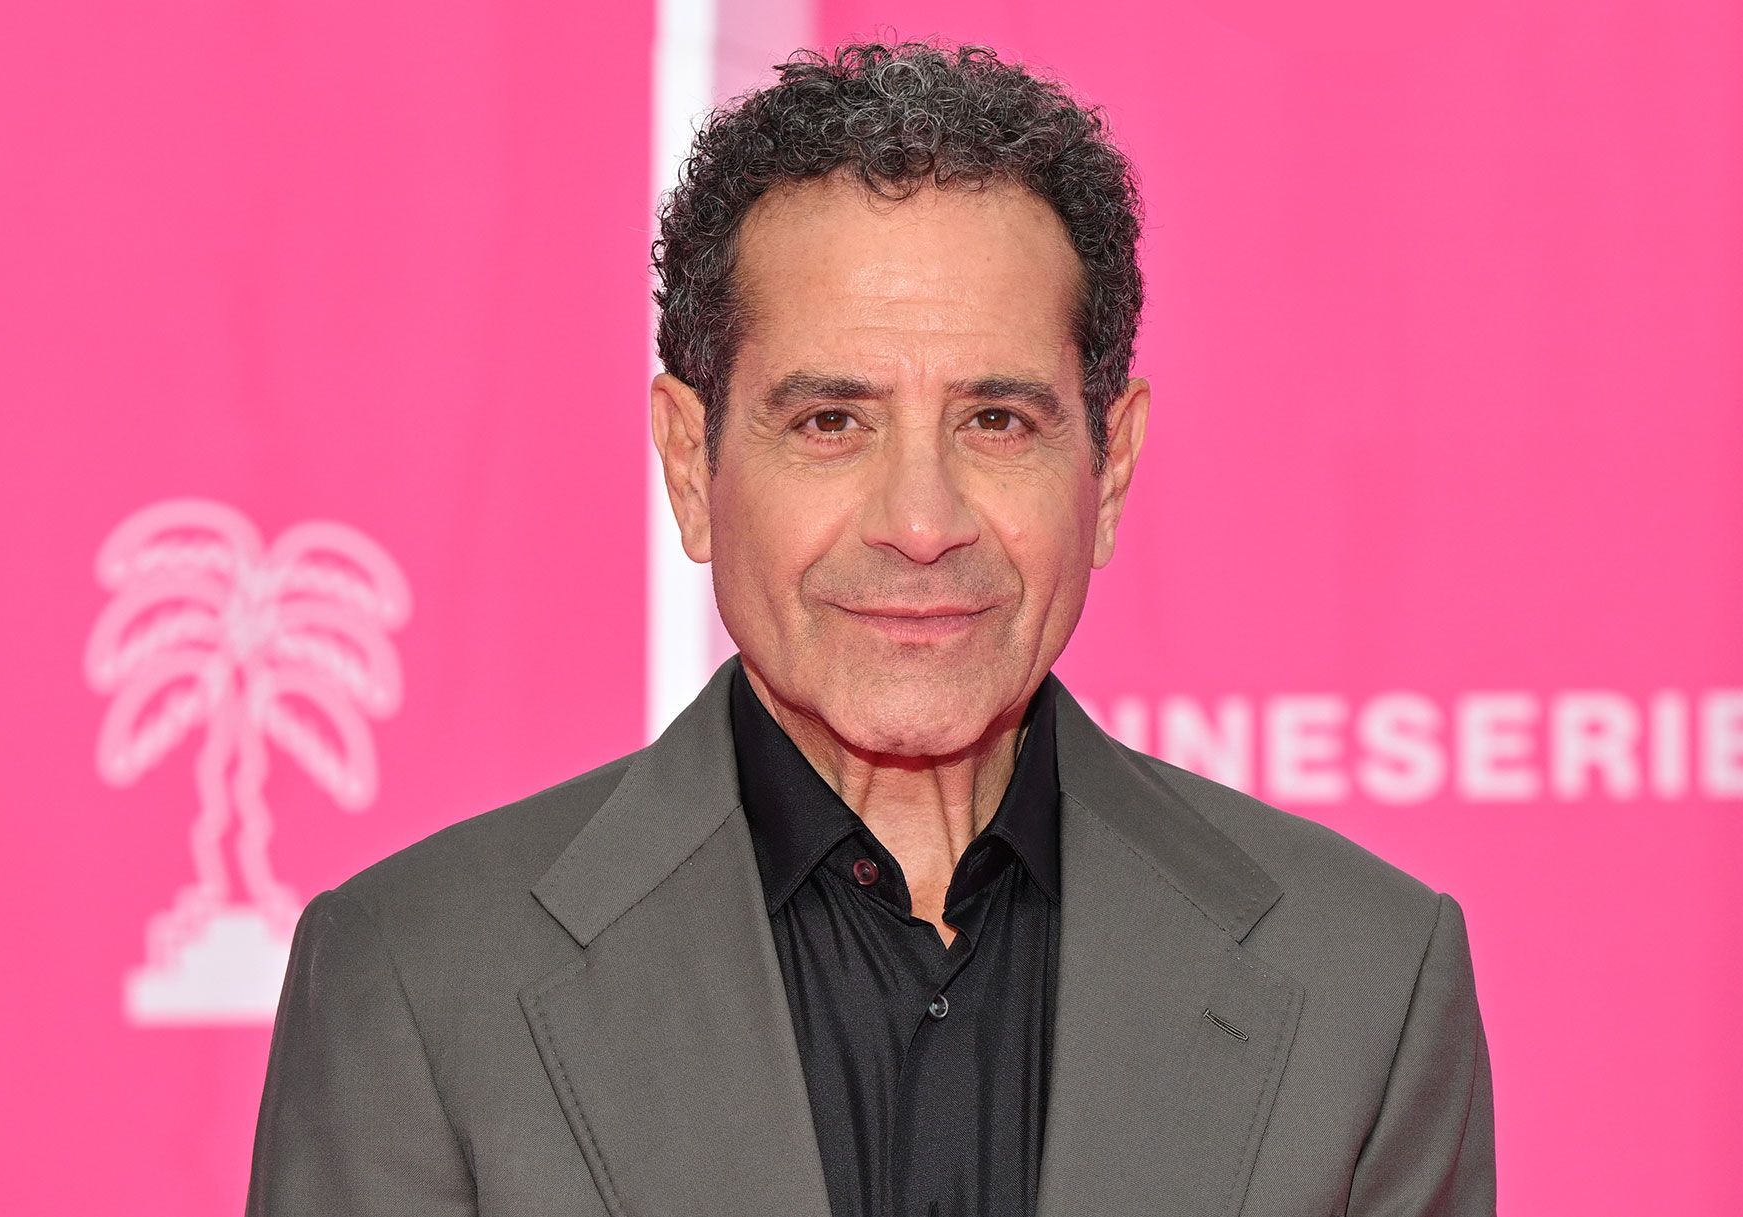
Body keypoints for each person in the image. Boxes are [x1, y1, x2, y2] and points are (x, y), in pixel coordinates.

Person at [248, 42, 1493, 1217]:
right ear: (694, 463)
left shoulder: (1364, 986)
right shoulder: (416, 982)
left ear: (1105, 471)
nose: (920, 521)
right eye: (831, 421)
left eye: (995, 421)